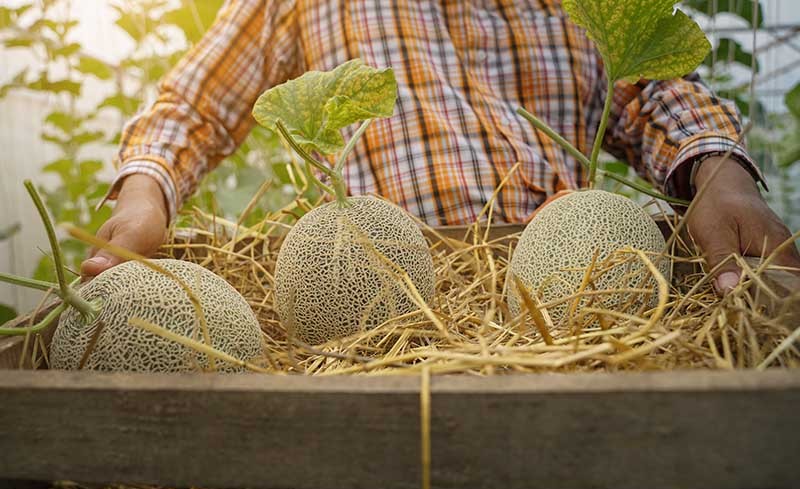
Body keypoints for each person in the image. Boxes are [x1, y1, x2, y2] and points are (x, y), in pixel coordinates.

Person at [82, 0, 800, 293]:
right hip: (385, 296)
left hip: (581, 288)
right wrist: (147, 190)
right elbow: (193, 104)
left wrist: (719, 170)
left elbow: (652, 89)